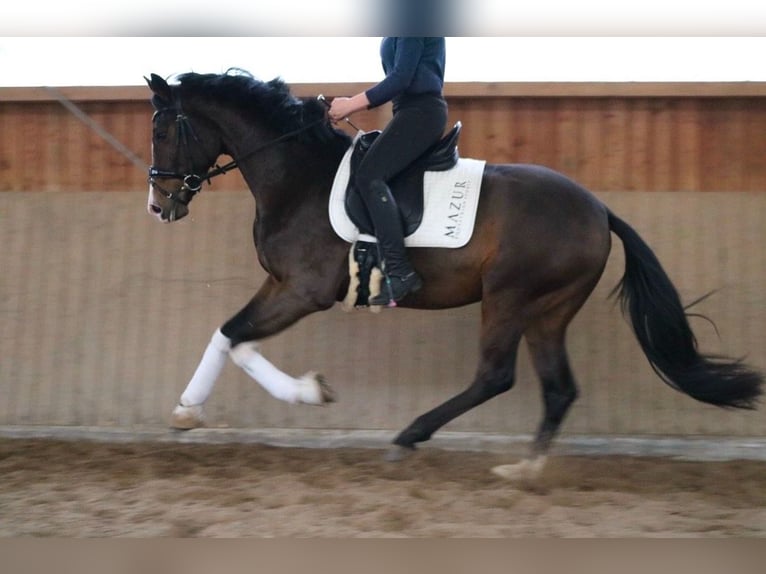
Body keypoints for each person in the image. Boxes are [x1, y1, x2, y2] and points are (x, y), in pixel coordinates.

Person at [329, 37, 448, 306]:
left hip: (421, 112)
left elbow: (401, 78)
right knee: (363, 178)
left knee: (370, 176)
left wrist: (350, 104)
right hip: (408, 111)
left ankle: (400, 271)